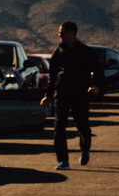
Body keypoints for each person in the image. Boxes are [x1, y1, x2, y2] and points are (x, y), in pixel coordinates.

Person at [41, 20, 100, 168]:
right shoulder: (58, 52)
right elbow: (52, 76)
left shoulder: (86, 52)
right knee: (59, 127)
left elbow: (98, 71)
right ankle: (63, 160)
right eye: (59, 33)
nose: (59, 36)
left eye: (62, 33)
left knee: (82, 125)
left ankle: (85, 148)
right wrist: (48, 95)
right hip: (61, 93)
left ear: (72, 34)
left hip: (80, 94)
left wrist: (96, 85)